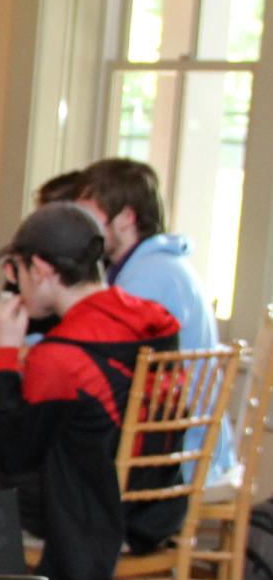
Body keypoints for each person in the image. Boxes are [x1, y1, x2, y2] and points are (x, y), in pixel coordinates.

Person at [0, 203, 181, 580]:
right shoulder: (153, 318)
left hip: (92, 510)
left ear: (41, 269)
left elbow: (12, 450)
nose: (14, 284)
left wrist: (2, 356)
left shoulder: (60, 357)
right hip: (155, 500)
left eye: (16, 271)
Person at [74, 157, 234, 483]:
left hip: (181, 455)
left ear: (126, 218)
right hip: (179, 443)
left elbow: (90, 357)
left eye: (89, 216)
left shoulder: (151, 276)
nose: (81, 228)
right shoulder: (150, 266)